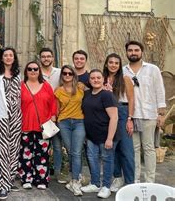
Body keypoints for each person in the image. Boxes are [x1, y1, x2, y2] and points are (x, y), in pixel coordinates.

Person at [123, 40, 166, 183]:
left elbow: (159, 90)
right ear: (126, 52)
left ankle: (149, 181)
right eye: (130, 50)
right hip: (131, 115)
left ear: (141, 52)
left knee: (148, 149)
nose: (133, 53)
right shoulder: (123, 70)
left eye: (136, 50)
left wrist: (161, 113)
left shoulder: (152, 69)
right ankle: (134, 181)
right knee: (134, 149)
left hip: (149, 114)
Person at [0, 47, 22, 200]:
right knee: (3, 151)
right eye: (5, 55)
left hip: (16, 117)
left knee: (14, 150)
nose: (8, 57)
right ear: (1, 58)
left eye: (11, 55)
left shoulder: (18, 75)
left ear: (14, 58)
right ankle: (2, 186)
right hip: (0, 116)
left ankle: (9, 179)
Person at [81, 69, 118, 199]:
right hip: (91, 135)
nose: (95, 80)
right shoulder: (87, 94)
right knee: (92, 159)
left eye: (98, 77)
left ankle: (106, 186)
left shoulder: (107, 95)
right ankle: (95, 183)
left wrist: (110, 138)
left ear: (104, 79)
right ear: (89, 80)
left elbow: (114, 117)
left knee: (107, 160)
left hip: (105, 135)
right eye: (92, 78)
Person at [19, 61, 57, 190]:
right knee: (26, 154)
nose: (33, 71)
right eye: (30, 69)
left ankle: (41, 179)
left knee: (42, 155)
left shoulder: (46, 86)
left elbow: (53, 103)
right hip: (25, 126)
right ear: (26, 72)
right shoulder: (21, 86)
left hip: (43, 126)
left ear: (39, 71)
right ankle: (26, 178)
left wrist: (53, 119)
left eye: (35, 69)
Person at [103, 53, 135, 192]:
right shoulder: (102, 79)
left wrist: (130, 119)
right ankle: (117, 177)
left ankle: (130, 182)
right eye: (111, 62)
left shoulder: (125, 79)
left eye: (116, 63)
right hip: (106, 114)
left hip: (122, 112)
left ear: (120, 65)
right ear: (106, 64)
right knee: (112, 148)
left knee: (126, 150)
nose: (113, 65)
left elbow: (132, 99)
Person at [54, 65, 85, 196]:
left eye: (70, 73)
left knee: (77, 152)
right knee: (71, 151)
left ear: (74, 75)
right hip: (64, 123)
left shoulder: (80, 88)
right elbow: (56, 109)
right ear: (62, 75)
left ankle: (75, 180)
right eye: (65, 73)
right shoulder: (58, 90)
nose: (67, 75)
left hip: (79, 121)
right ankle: (76, 176)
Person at [39, 48, 65, 184]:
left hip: (58, 113)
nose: (46, 59)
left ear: (52, 58)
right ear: (40, 59)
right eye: (43, 57)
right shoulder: (36, 73)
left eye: (48, 56)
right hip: (41, 113)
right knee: (41, 144)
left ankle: (58, 171)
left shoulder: (60, 72)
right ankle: (41, 171)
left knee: (57, 145)